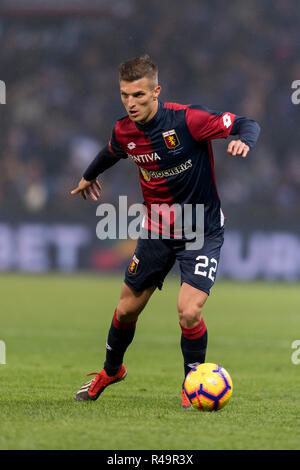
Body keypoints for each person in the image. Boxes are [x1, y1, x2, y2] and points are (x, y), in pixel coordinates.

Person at [71, 55, 260, 407]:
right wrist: (89, 174)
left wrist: (243, 141)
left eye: (139, 95)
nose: (131, 103)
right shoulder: (124, 130)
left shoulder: (190, 120)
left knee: (189, 311)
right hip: (157, 232)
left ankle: (193, 381)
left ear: (156, 91)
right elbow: (113, 151)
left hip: (201, 231)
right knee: (126, 311)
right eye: (125, 95)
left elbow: (247, 122)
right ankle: (112, 370)